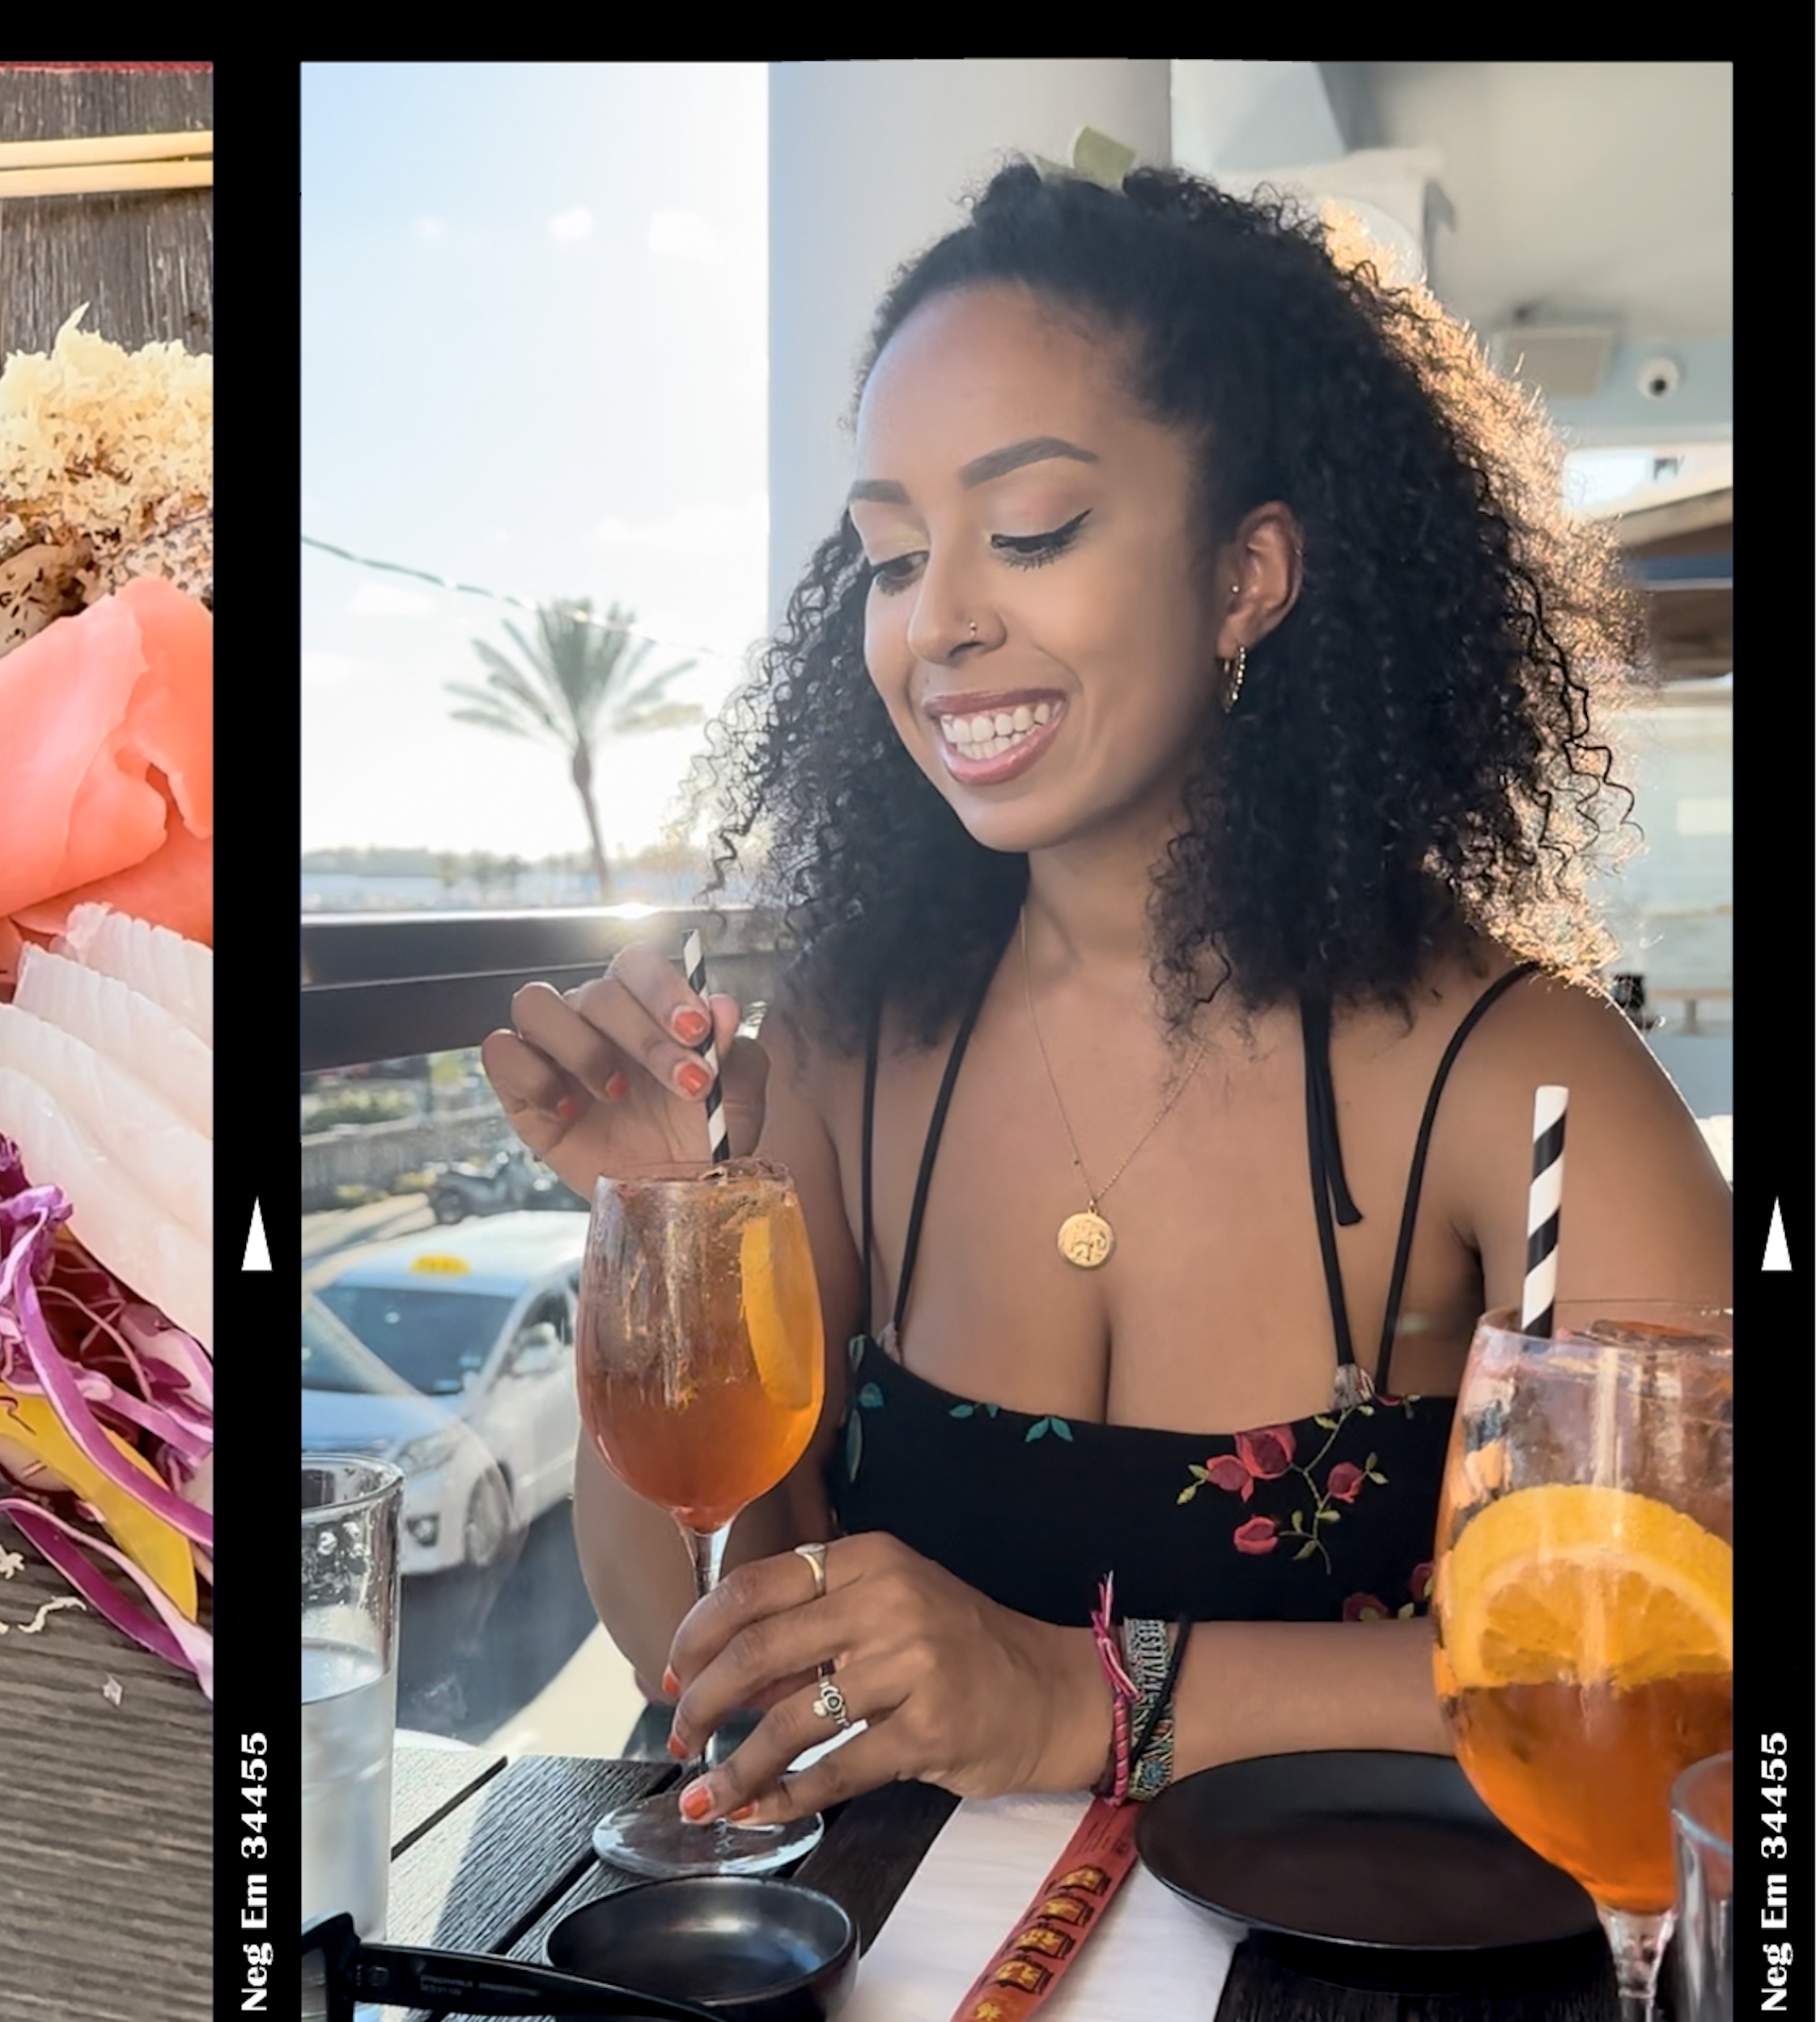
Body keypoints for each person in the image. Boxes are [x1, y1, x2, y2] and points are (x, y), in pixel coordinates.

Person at [482, 149, 1730, 1832]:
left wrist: (1079, 1690)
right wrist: (658, 1235)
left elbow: (1684, 1678)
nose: (938, 625)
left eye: (1033, 528)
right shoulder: (848, 1047)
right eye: (893, 557)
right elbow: (698, 1639)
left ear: (1248, 575)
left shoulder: (1527, 1089)